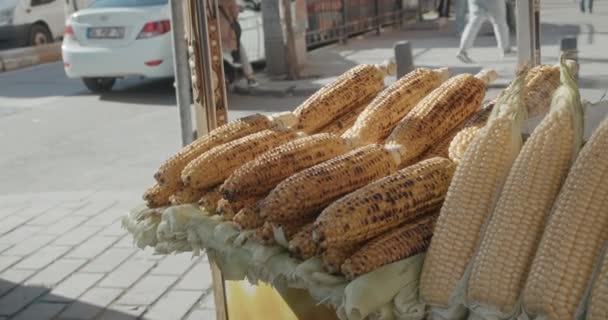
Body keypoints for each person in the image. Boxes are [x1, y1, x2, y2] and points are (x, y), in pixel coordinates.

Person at [218, 0, 258, 87]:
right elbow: (234, 13)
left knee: (218, 55)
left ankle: (224, 79)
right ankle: (250, 77)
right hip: (228, 31)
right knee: (240, 49)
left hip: (214, 31)